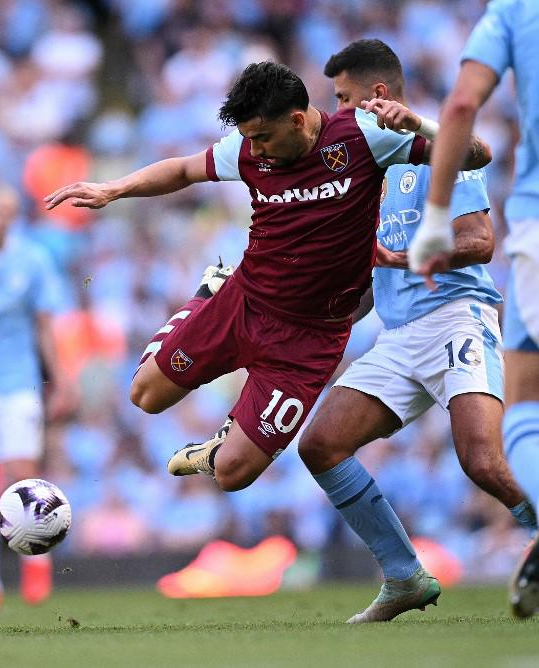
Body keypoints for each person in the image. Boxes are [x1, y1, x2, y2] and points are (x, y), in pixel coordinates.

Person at [45, 61, 490, 495]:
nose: (254, 151)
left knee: (232, 474)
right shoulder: (247, 148)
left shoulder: (365, 138)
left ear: (297, 120)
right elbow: (182, 169)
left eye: (262, 138)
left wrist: (421, 125)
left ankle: (220, 446)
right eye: (248, 140)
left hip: (308, 340)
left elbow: (478, 153)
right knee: (145, 396)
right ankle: (209, 291)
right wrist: (113, 189)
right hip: (245, 303)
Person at [297, 38, 537, 624]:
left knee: (482, 459)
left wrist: (404, 259)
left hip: (458, 316)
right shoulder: (366, 172)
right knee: (321, 444)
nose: (340, 111)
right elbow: (367, 284)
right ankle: (403, 576)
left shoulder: (436, 149)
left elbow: (480, 240)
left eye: (346, 98)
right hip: (399, 335)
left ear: (379, 96)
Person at [412, 0, 539, 619]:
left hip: (527, 243)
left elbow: (462, 109)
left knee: (520, 423)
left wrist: (434, 223)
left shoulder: (513, 12)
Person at [0, 184, 74, 605]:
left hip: (18, 381)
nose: (1, 217)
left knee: (21, 471)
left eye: (8, 211)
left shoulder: (31, 259)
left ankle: (36, 567)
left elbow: (45, 327)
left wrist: (62, 379)